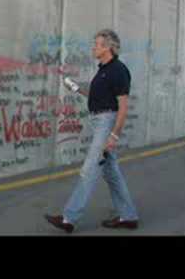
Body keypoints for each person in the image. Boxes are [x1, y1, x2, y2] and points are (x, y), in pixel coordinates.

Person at [45, 29, 139, 234]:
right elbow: (95, 95)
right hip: (99, 121)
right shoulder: (103, 69)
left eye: (97, 44)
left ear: (108, 47)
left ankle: (69, 218)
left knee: (89, 170)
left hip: (106, 123)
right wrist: (76, 88)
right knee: (111, 173)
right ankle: (129, 217)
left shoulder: (118, 70)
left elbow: (123, 107)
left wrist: (114, 135)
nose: (93, 47)